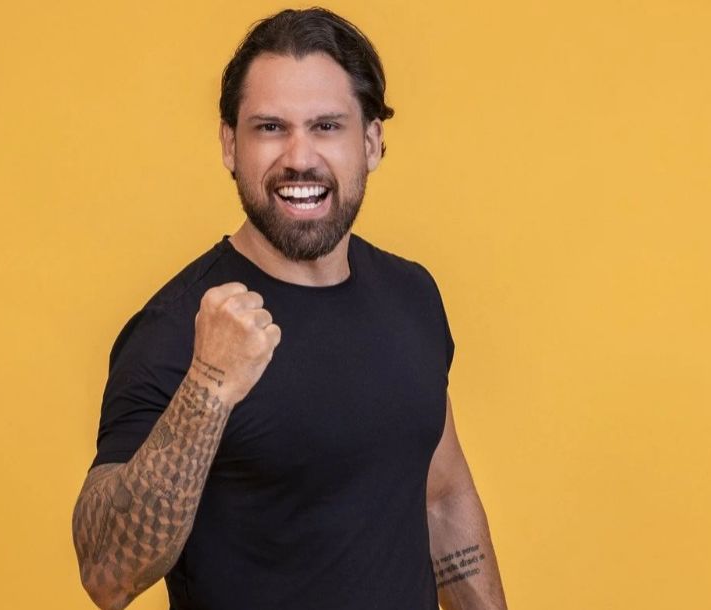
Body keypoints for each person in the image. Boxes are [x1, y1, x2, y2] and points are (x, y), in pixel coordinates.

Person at [72, 7, 508, 610]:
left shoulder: (411, 295)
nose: (299, 157)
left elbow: (441, 497)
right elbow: (106, 575)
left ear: (371, 143)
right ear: (230, 145)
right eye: (270, 128)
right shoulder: (177, 329)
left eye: (326, 126)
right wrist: (208, 387)